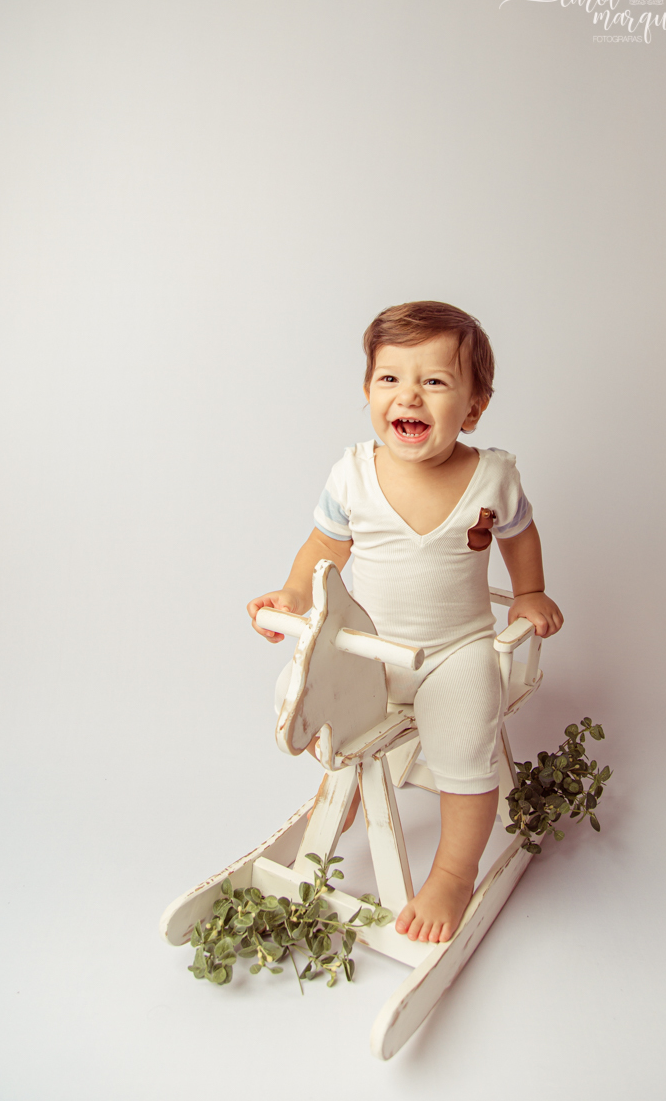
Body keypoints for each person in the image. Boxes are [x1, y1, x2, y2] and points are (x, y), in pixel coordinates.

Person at [247, 301, 563, 944]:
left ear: (472, 408)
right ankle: (348, 785)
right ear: (368, 391)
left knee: (467, 749)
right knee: (314, 687)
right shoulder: (354, 476)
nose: (408, 395)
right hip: (371, 648)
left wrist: (529, 592)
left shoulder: (491, 476)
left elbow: (521, 536)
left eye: (435, 381)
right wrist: (292, 592)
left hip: (457, 650)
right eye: (390, 378)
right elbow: (323, 549)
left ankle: (452, 868)